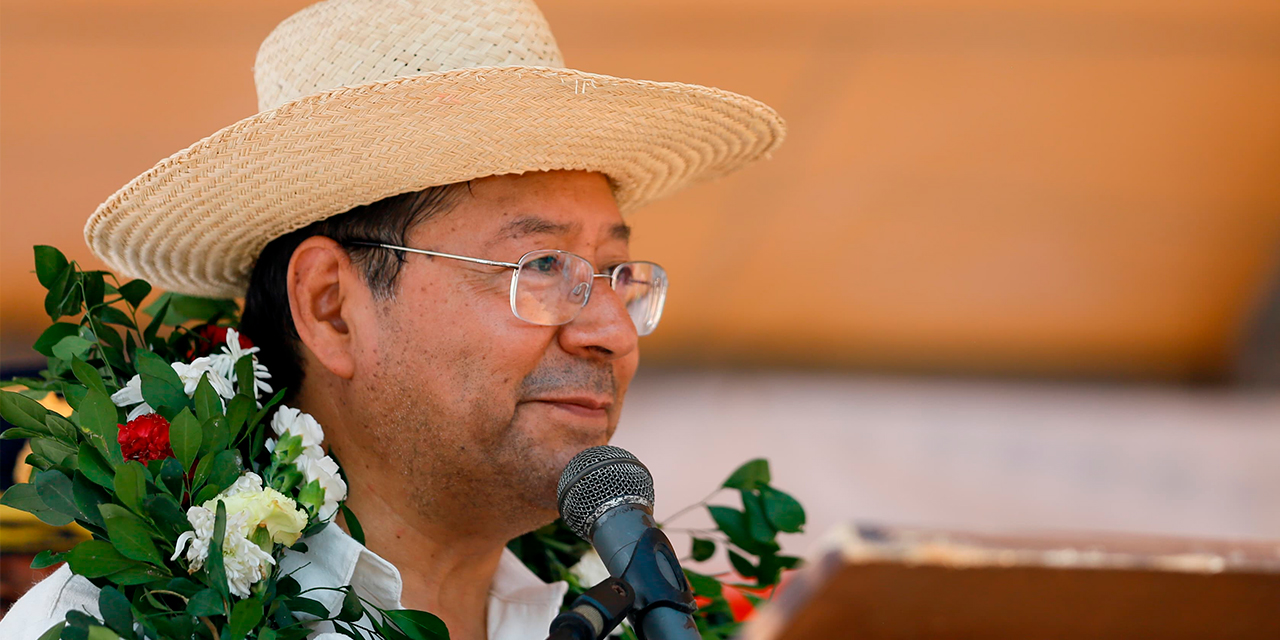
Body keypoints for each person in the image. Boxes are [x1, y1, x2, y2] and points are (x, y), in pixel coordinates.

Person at [1, 0, 783, 638]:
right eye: (541, 267)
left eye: (614, 275)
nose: (611, 329)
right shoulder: (120, 625)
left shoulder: (613, 618)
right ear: (331, 308)